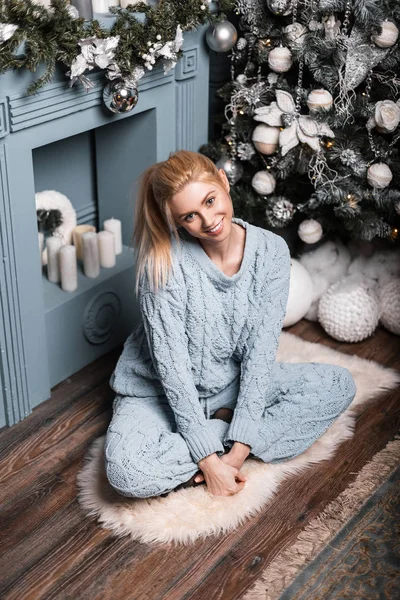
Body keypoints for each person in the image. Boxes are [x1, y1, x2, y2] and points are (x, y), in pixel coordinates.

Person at [104, 150, 357, 499]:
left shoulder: (271, 252)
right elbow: (172, 371)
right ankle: (219, 428)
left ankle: (226, 425)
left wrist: (237, 452)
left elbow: (259, 353)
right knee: (127, 472)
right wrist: (209, 461)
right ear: (176, 221)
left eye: (210, 200)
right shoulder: (162, 265)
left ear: (223, 181)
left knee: (338, 385)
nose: (208, 221)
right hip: (157, 391)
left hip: (228, 381)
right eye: (190, 216)